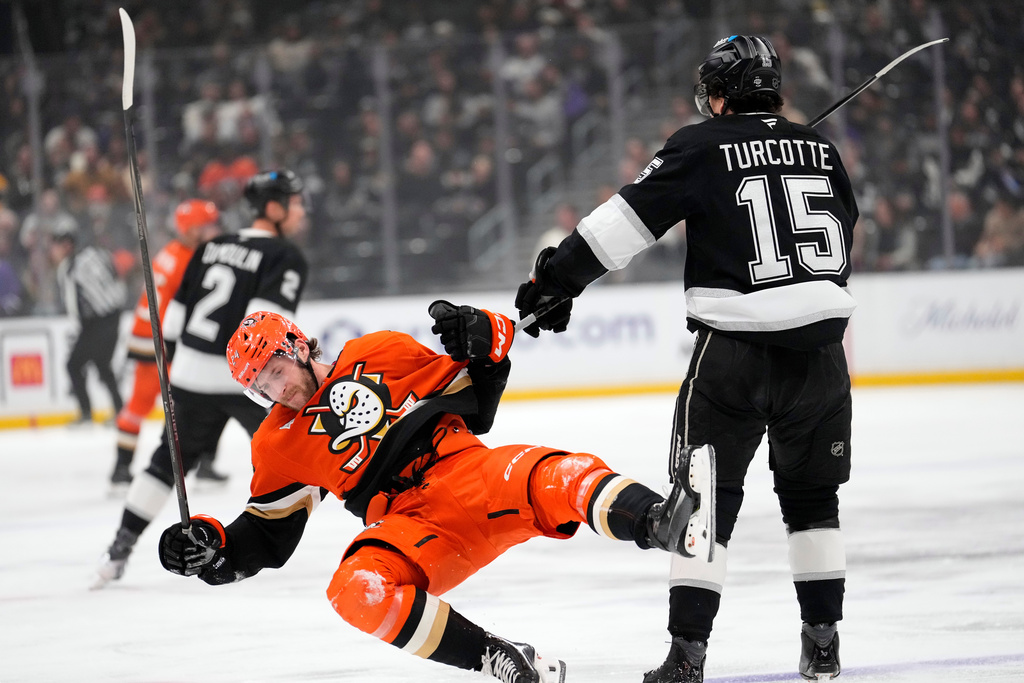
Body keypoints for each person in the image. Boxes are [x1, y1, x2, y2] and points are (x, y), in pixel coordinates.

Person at [514, 35, 857, 683]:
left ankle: (688, 656)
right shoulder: (824, 148)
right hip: (821, 361)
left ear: (722, 92)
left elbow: (626, 224)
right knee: (814, 504)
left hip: (734, 356)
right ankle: (823, 646)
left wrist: (554, 280)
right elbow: (845, 226)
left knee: (702, 505)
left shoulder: (702, 145)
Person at [156, 304, 717, 683]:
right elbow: (266, 539)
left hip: (469, 473)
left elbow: (480, 396)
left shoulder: (378, 350)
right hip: (413, 525)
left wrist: (482, 337)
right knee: (355, 589)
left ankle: (660, 521)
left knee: (561, 474)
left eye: (276, 368)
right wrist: (211, 546)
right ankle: (501, 658)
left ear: (298, 345)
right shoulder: (277, 443)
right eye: (261, 386)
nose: (277, 389)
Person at [92, 169, 309, 589]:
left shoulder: (211, 245)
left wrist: (178, 372)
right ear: (276, 208)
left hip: (189, 376)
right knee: (295, 453)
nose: (301, 212)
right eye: (296, 203)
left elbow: (171, 321)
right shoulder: (285, 256)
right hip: (246, 381)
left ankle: (118, 551)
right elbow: (262, 327)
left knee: (165, 463)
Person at [110, 199, 222, 492]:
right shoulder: (188, 258)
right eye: (205, 226)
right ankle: (198, 464)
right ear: (189, 229)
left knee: (142, 405)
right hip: (161, 340)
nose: (211, 231)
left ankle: (121, 470)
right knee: (195, 402)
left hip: (146, 335)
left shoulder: (172, 252)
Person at [49, 223, 127, 424]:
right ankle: (120, 411)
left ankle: (86, 413)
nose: (54, 251)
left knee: (73, 364)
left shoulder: (69, 266)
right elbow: (116, 273)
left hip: (96, 322)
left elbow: (73, 306)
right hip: (114, 315)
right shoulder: (96, 253)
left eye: (56, 245)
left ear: (66, 245)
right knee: (102, 365)